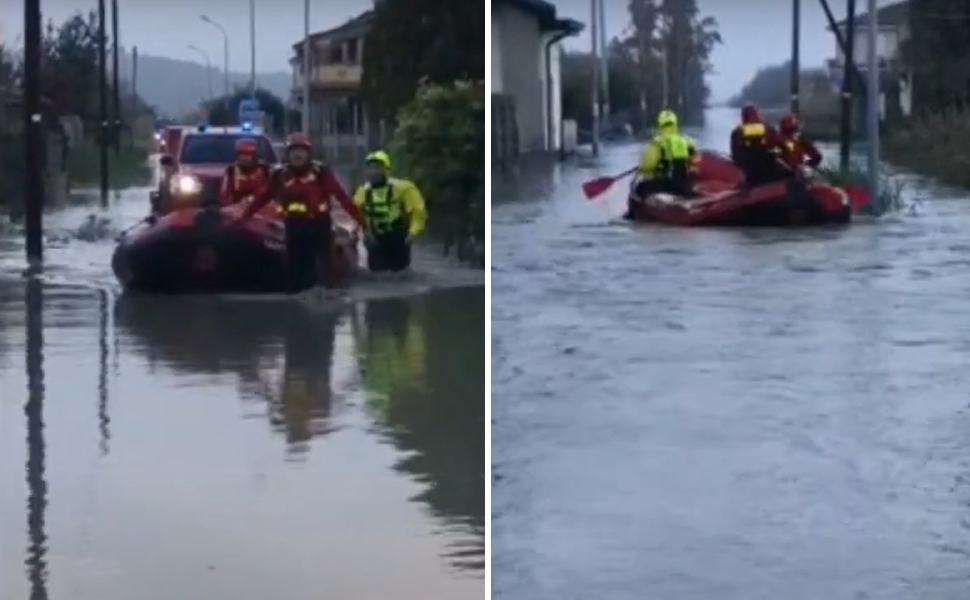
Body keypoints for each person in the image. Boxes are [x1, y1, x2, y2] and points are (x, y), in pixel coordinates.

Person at [240, 132, 363, 293]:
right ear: (287, 154)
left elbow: (342, 197)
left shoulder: (321, 173)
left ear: (308, 154)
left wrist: (361, 220)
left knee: (326, 266)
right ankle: (297, 296)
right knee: (295, 267)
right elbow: (262, 198)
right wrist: (244, 217)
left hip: (320, 225)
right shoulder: (279, 176)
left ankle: (329, 294)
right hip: (294, 226)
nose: (298, 155)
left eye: (302, 151)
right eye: (294, 151)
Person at [353, 150, 427, 272]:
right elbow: (355, 215)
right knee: (378, 276)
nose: (373, 172)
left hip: (398, 237)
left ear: (386, 169)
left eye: (377, 168)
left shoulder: (403, 187)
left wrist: (413, 233)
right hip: (375, 239)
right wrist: (361, 234)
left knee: (401, 274)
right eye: (370, 168)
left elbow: (418, 211)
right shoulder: (362, 192)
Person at [624, 109, 699, 220]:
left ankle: (630, 215)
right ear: (675, 123)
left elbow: (647, 166)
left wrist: (643, 168)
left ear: (660, 124)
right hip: (684, 185)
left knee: (639, 188)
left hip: (663, 185)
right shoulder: (687, 141)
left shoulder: (656, 143)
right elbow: (697, 161)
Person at [730, 104, 786, 186]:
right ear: (745, 117)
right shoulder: (738, 133)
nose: (755, 117)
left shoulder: (767, 129)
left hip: (767, 164)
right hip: (752, 168)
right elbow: (737, 156)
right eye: (752, 114)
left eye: (756, 114)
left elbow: (778, 145)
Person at [220, 138, 272, 207]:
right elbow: (225, 196)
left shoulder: (265, 169)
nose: (245, 158)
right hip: (238, 210)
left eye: (248, 155)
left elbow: (274, 193)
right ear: (237, 156)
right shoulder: (231, 171)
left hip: (263, 210)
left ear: (254, 156)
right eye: (242, 155)